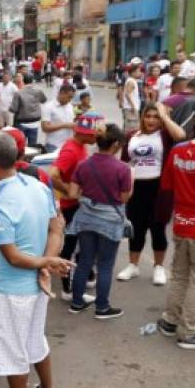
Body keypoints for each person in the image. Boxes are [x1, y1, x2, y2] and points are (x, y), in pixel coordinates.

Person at [0, 133, 71, 388]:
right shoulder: (38, 187)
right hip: (36, 284)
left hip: (10, 289)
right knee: (33, 339)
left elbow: (13, 256)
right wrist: (47, 262)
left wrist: (45, 263)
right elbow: (57, 228)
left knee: (12, 347)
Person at [64, 124, 132, 317]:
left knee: (84, 261)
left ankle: (76, 303)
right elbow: (124, 198)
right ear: (117, 144)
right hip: (110, 221)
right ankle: (102, 307)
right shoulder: (123, 169)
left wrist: (89, 200)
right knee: (105, 265)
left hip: (85, 218)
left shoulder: (83, 164)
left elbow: (72, 192)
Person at [117, 103, 187, 285]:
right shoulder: (133, 135)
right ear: (142, 117)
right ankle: (133, 265)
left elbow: (181, 135)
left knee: (158, 228)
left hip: (159, 189)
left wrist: (165, 116)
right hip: (136, 188)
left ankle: (158, 267)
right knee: (136, 228)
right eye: (148, 116)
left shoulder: (165, 135)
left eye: (155, 117)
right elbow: (125, 162)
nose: (151, 120)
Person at [157, 119, 195, 348]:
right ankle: (192, 330)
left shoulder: (177, 150)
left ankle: (170, 320)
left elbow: (167, 185)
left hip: (182, 221)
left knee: (180, 273)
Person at [49, 115, 100, 301]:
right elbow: (53, 175)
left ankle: (85, 276)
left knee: (81, 242)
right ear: (85, 133)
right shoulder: (71, 150)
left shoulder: (80, 146)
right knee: (70, 245)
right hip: (71, 206)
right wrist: (69, 191)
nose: (97, 137)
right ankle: (67, 288)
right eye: (95, 134)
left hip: (77, 204)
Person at [9, 76, 47, 147]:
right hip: (34, 122)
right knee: (32, 146)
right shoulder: (38, 91)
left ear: (23, 81)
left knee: (20, 145)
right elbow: (44, 100)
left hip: (22, 122)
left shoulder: (18, 93)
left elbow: (13, 109)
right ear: (32, 81)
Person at [41, 84, 78, 153]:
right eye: (69, 97)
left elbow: (72, 122)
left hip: (68, 145)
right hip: (53, 145)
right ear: (62, 93)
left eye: (71, 98)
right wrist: (65, 125)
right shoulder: (48, 107)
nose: (70, 100)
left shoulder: (69, 106)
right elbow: (45, 128)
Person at [121, 63, 142, 132]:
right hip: (130, 108)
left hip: (131, 107)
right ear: (133, 72)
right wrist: (133, 106)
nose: (140, 73)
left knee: (129, 127)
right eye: (138, 71)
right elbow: (127, 94)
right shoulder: (131, 81)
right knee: (131, 128)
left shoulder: (132, 80)